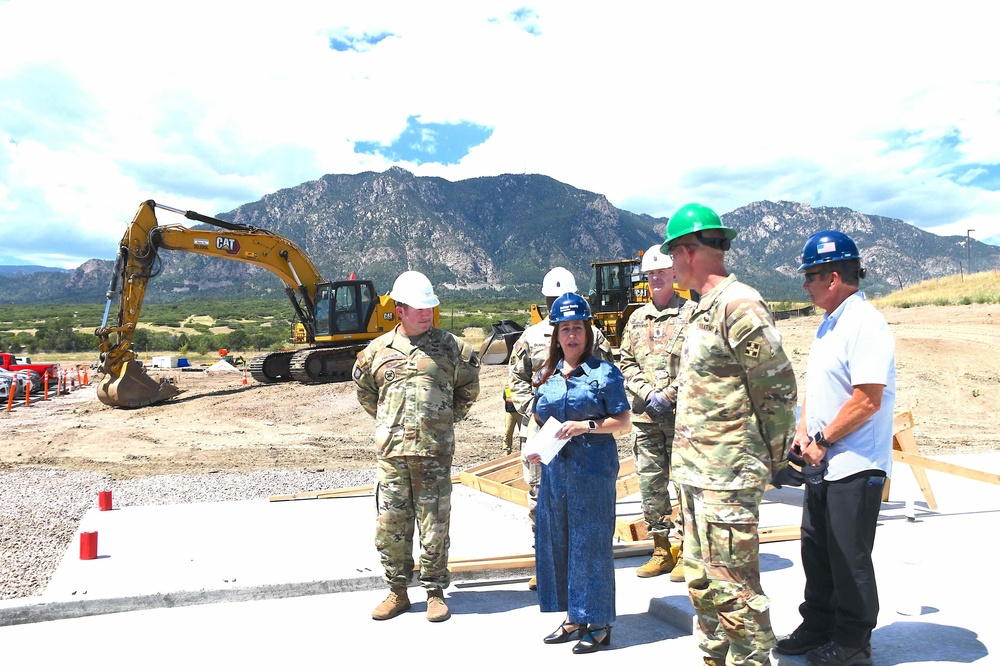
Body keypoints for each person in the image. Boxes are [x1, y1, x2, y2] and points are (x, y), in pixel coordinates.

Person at [663, 203, 797, 666]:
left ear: (689, 251)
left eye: (672, 255)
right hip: (695, 474)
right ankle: (716, 658)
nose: (670, 266)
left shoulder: (740, 304)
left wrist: (776, 456)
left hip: (729, 476)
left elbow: (776, 387)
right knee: (701, 582)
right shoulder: (699, 309)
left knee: (734, 587)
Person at [773, 231, 895, 666]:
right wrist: (805, 431)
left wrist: (823, 441)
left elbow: (867, 398)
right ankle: (818, 625)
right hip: (824, 460)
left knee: (849, 558)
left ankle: (852, 642)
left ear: (835, 276)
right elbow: (820, 389)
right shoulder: (830, 323)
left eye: (811, 276)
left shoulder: (865, 323)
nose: (804, 284)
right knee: (817, 550)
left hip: (856, 462)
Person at [353, 270, 481, 623]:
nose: (426, 314)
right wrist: (390, 423)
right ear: (399, 309)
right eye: (418, 308)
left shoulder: (452, 348)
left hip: (434, 455)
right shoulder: (377, 352)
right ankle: (397, 591)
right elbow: (366, 394)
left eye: (429, 307)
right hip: (393, 456)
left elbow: (468, 390)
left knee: (435, 524)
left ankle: (435, 591)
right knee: (390, 524)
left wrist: (442, 420)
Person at [525, 292, 631, 654]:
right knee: (559, 540)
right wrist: (539, 447)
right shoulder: (547, 375)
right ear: (556, 334)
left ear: (588, 332)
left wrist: (585, 425)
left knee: (591, 542)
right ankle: (574, 615)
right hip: (557, 471)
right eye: (565, 328)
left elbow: (623, 422)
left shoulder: (605, 373)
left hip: (593, 470)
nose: (572, 335)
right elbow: (541, 418)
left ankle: (599, 622)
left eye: (578, 328)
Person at [508, 266, 613, 590]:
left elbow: (608, 377)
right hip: (544, 435)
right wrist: (538, 413)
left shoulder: (592, 336)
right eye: (553, 299)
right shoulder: (530, 337)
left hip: (582, 434)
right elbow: (516, 381)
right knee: (543, 499)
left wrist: (589, 416)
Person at [618, 244, 695, 580]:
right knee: (651, 486)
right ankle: (662, 549)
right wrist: (647, 392)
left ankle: (689, 552)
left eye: (662, 272)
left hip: (682, 419)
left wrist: (670, 393)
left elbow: (698, 365)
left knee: (686, 485)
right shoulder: (636, 319)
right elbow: (626, 360)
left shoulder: (692, 314)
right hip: (646, 418)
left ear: (675, 273)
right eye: (651, 274)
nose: (656, 278)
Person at [502, 378, 520, 455]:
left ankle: (523, 450)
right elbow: (504, 396)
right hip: (510, 411)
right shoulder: (506, 383)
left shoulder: (522, 382)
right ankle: (506, 450)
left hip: (520, 411)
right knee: (508, 432)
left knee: (523, 433)